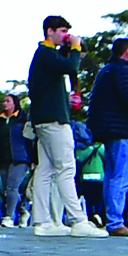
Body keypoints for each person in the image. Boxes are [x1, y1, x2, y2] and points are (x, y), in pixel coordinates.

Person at [26, 15, 91, 234]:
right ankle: (78, 219)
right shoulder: (46, 53)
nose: (66, 36)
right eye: (62, 31)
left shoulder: (44, 56)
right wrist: (74, 48)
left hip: (43, 120)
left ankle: (42, 222)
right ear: (50, 31)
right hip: (54, 121)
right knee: (66, 168)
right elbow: (70, 66)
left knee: (45, 170)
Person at [85, 36, 128, 236]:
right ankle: (115, 221)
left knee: (111, 176)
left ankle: (111, 218)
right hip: (123, 130)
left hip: (109, 129)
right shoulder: (123, 71)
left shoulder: (106, 71)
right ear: (127, 52)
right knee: (122, 176)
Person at [0, 91, 33, 228]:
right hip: (4, 159)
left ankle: (8, 217)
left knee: (12, 187)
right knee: (6, 190)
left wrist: (33, 159)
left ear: (15, 104)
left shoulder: (23, 119)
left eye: (8, 101)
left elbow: (30, 140)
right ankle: (23, 211)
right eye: (4, 101)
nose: (5, 103)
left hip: (20, 158)